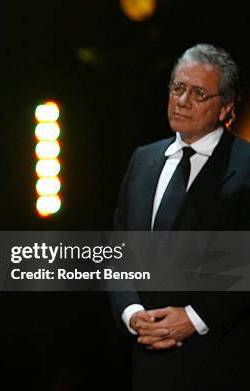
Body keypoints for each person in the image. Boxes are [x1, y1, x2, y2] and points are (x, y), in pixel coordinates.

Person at [111, 43, 250, 390]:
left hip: (220, 362)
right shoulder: (142, 160)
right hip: (147, 363)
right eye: (178, 88)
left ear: (226, 107)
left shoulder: (246, 166)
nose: (183, 100)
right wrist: (131, 314)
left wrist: (193, 318)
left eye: (199, 93)